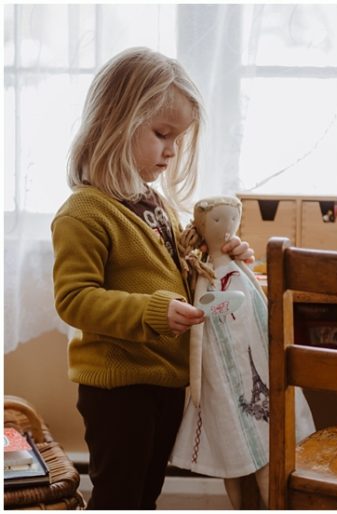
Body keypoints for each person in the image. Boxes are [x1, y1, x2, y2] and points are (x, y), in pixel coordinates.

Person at [52, 47, 254, 509]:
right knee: (120, 495)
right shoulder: (84, 212)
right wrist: (153, 311)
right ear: (117, 123)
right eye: (162, 134)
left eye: (177, 138)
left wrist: (219, 256)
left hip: (166, 379)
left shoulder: (153, 203)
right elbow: (75, 299)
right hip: (119, 387)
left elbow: (175, 267)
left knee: (146, 494)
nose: (171, 149)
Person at [169, 196, 314, 508]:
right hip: (229, 376)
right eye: (218, 222)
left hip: (254, 367)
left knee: (264, 452)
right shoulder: (199, 272)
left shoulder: (234, 270)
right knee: (239, 446)